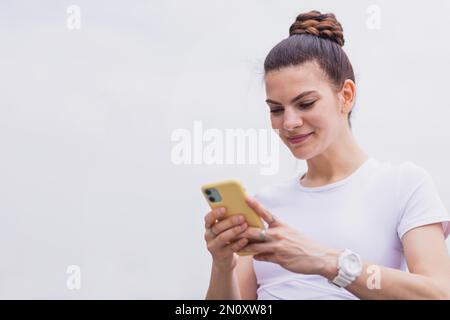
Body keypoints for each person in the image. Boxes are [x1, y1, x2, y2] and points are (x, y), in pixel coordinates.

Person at [203, 10, 450, 299]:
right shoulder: (263, 205)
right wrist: (222, 266)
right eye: (276, 109)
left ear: (345, 95)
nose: (289, 123)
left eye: (305, 103)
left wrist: (328, 263)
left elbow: (439, 293)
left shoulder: (403, 185)